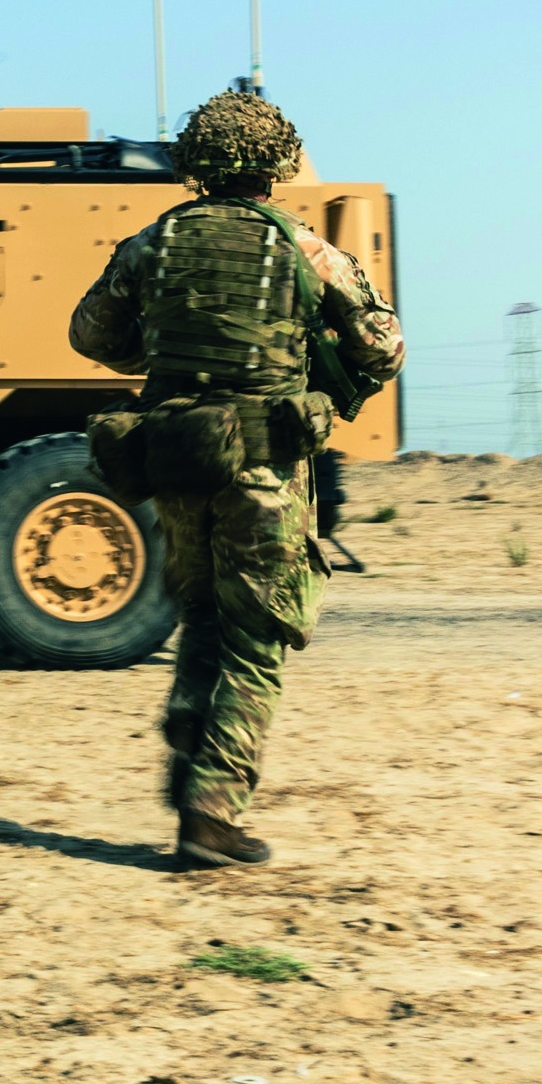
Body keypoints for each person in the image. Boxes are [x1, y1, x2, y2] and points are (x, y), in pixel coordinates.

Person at [66, 88, 403, 871]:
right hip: (265, 470)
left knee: (204, 617)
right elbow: (383, 349)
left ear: (197, 163)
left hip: (181, 457)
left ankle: (190, 762)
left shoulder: (151, 242)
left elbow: (91, 333)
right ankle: (214, 811)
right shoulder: (305, 249)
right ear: (276, 162)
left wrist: (159, 356)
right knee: (259, 637)